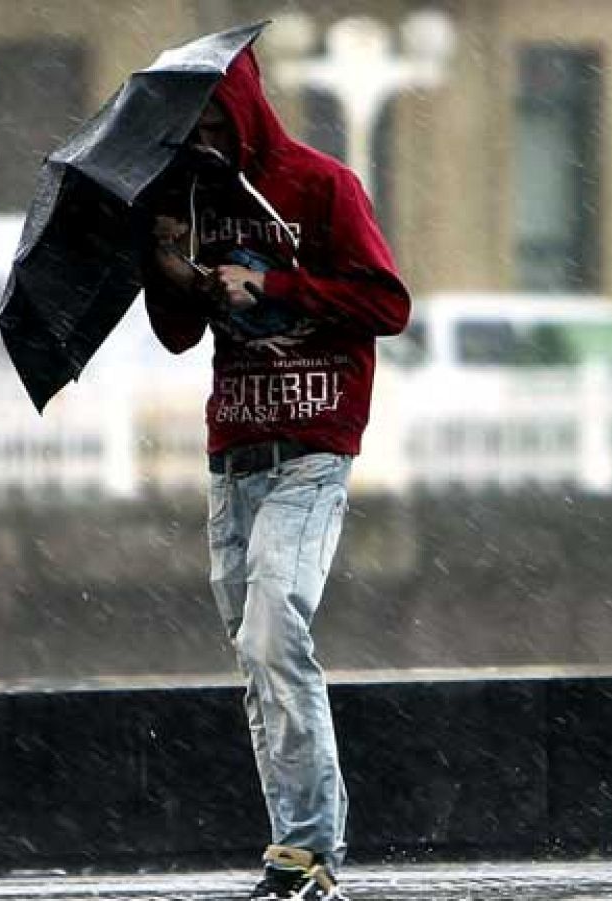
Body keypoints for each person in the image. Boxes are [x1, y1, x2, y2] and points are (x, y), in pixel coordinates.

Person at [139, 43, 411, 901]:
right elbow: (179, 336)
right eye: (195, 128)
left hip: (312, 448)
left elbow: (387, 303)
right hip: (234, 453)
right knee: (258, 657)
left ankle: (312, 845)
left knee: (273, 629)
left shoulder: (323, 186)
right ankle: (293, 850)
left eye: (218, 122)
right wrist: (168, 267)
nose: (207, 140)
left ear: (247, 111)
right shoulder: (191, 199)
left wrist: (278, 287)